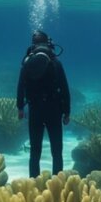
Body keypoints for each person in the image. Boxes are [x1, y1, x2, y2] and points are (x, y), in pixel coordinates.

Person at [17, 30, 71, 177]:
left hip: (35, 110)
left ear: (33, 45)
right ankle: (57, 184)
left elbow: (20, 86)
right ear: (48, 43)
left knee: (35, 150)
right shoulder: (55, 62)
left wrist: (20, 108)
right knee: (57, 150)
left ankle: (33, 184)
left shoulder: (27, 61)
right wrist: (67, 112)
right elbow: (64, 88)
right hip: (54, 110)